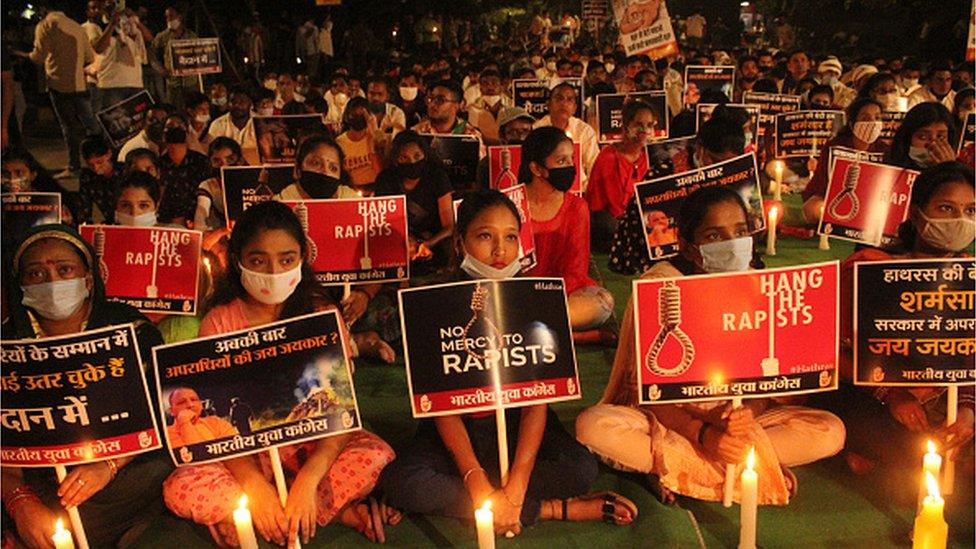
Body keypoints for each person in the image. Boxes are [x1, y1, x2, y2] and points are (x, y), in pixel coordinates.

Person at [380, 189, 637, 534]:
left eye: (511, 237)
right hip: (457, 435)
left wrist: (517, 482)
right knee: (402, 483)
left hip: (520, 427)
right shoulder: (433, 304)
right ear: (460, 243)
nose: (500, 250)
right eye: (485, 236)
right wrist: (475, 481)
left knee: (580, 470)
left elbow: (537, 403)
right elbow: (443, 409)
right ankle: (548, 509)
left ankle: (506, 503)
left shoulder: (535, 301)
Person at [576, 186, 846, 504]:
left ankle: (679, 470)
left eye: (741, 231)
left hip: (739, 423)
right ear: (688, 247)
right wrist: (706, 434)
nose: (733, 244)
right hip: (672, 423)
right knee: (594, 427)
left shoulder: (759, 285)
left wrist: (743, 416)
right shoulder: (661, 288)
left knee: (830, 431)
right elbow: (648, 394)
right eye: (716, 237)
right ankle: (754, 465)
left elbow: (768, 386)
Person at [162, 201, 397, 546]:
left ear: (302, 257)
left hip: (312, 448)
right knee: (180, 488)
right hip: (245, 456)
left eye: (286, 260)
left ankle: (263, 518)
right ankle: (317, 512)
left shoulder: (322, 314)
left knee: (373, 455)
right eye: (259, 260)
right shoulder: (219, 322)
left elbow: (341, 413)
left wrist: (309, 480)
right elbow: (214, 425)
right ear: (238, 260)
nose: (273, 271)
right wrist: (255, 485)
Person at [1, 224, 172, 547]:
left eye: (65, 270)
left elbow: (161, 416)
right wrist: (19, 501)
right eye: (36, 274)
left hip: (119, 476)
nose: (53, 282)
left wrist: (107, 465)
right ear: (20, 285)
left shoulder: (132, 330)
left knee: (155, 472)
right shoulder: (6, 344)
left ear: (89, 278)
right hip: (37, 483)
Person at [833, 161, 974, 475]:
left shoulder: (971, 275)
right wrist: (893, 394)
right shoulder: (871, 269)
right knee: (912, 459)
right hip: (876, 399)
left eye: (970, 211)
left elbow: (970, 357)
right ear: (916, 212)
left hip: (947, 398)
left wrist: (967, 410)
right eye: (947, 208)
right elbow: (835, 352)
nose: (960, 220)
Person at [609, 114, 741, 275]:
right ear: (699, 148)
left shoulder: (738, 174)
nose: (721, 169)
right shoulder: (664, 173)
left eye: (729, 163)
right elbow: (638, 221)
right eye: (714, 161)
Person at [520, 127, 614, 332]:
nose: (570, 167)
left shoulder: (577, 207)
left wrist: (548, 295)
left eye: (571, 159)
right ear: (537, 168)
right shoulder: (512, 203)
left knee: (602, 303)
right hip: (517, 293)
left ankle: (525, 327)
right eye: (561, 161)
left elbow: (576, 270)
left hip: (562, 295)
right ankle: (558, 330)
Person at [19, 3, 99, 179]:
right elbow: (89, 57)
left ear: (43, 9)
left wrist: (22, 55)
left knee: (69, 127)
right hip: (80, 84)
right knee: (92, 125)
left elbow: (38, 57)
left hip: (59, 85)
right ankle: (103, 159)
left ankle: (74, 166)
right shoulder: (77, 26)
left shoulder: (46, 25)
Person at [374, 130, 454, 272]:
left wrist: (428, 244)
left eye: (417, 156)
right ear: (395, 160)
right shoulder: (386, 180)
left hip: (435, 240)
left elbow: (449, 227)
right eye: (404, 158)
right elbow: (383, 223)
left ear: (425, 154)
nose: (412, 162)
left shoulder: (437, 176)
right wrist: (408, 242)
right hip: (397, 244)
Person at [801, 98, 889, 223]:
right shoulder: (835, 146)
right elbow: (822, 183)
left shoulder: (885, 150)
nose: (872, 122)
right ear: (852, 124)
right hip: (830, 198)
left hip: (869, 205)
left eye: (877, 117)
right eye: (865, 118)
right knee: (814, 210)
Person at [586, 100, 655, 253]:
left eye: (649, 125)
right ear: (625, 126)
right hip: (609, 223)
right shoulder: (609, 157)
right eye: (639, 124)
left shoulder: (651, 157)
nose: (644, 130)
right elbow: (614, 207)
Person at [84, 1, 150, 113]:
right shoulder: (95, 26)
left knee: (137, 124)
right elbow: (99, 48)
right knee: (116, 123)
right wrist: (112, 24)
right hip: (112, 84)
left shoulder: (126, 22)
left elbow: (149, 39)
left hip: (135, 82)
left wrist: (136, 21)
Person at [533, 82, 598, 188]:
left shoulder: (584, 130)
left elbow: (594, 166)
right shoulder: (537, 129)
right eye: (559, 98)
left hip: (580, 190)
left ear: (575, 108)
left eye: (569, 99)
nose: (564, 103)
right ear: (548, 104)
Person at [157, 115, 211, 225]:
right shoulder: (157, 165)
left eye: (179, 127)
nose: (175, 129)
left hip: (198, 221)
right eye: (170, 127)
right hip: (166, 223)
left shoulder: (201, 162)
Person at [412, 79, 486, 158]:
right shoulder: (417, 133)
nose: (432, 105)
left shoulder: (471, 136)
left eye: (440, 100)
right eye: (430, 99)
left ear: (457, 106)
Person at [277, 135, 360, 200]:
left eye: (333, 168)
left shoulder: (351, 201)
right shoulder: (281, 205)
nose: (325, 171)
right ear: (297, 170)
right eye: (316, 163)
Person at [885, 102, 958, 171]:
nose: (933, 144)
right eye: (923, 137)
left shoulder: (961, 175)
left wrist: (949, 170)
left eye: (941, 137)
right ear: (907, 138)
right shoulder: (888, 169)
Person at [150, 5, 198, 107]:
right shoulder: (162, 37)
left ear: (179, 17)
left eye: (171, 16)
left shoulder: (191, 36)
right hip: (173, 84)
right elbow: (152, 56)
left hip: (191, 82)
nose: (168, 20)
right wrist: (161, 70)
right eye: (167, 17)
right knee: (174, 110)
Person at [195, 137, 244, 232]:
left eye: (230, 159)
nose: (223, 165)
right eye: (217, 161)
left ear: (240, 160)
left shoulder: (252, 180)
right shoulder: (208, 185)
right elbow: (199, 222)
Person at [336, 97, 384, 191]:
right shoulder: (339, 142)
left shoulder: (375, 138)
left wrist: (373, 134)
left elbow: (380, 173)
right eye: (354, 114)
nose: (358, 118)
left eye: (362, 115)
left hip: (374, 187)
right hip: (350, 189)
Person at [166, 387, 238, 447]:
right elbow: (195, 453)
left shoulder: (217, 422)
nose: (190, 405)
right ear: (171, 411)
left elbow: (235, 448)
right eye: (181, 402)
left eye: (194, 400)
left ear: (200, 404)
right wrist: (185, 422)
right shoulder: (167, 434)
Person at [208, 86, 260, 165]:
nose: (237, 105)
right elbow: (213, 153)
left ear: (250, 103)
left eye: (242, 102)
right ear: (228, 103)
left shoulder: (261, 123)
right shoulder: (217, 124)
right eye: (233, 101)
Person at [79, 135, 123, 223]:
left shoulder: (125, 172)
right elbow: (84, 208)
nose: (96, 168)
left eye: (99, 162)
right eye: (90, 164)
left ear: (108, 154)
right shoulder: (87, 177)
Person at [183, 91, 213, 155]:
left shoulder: (213, 127)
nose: (205, 112)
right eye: (201, 109)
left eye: (207, 109)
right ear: (190, 111)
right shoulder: (184, 128)